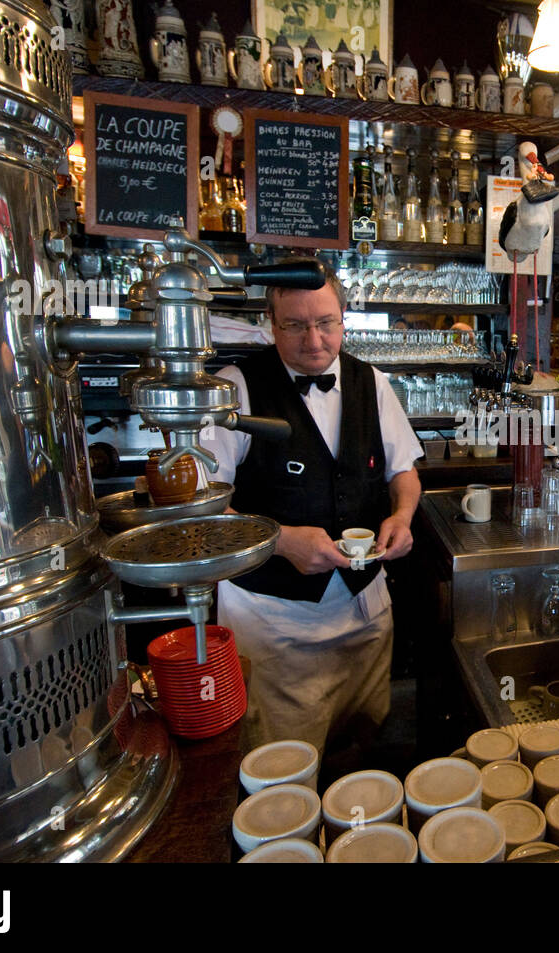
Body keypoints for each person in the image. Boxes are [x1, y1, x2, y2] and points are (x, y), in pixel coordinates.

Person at [201, 263, 423, 755]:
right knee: (281, 765)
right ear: (270, 324)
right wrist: (280, 540)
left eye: (326, 322)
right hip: (274, 622)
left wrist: (402, 517)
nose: (314, 340)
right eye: (295, 325)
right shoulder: (234, 389)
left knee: (362, 745)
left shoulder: (372, 383)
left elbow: (403, 471)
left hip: (364, 614)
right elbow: (202, 505)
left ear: (344, 319)